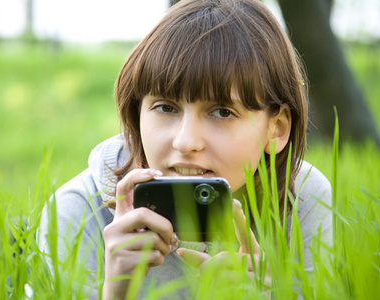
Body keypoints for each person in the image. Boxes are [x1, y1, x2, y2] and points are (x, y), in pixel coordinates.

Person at [37, 0, 332, 299]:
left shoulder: (302, 200)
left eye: (222, 112)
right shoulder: (78, 211)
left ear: (276, 129)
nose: (186, 142)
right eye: (165, 107)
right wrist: (116, 293)